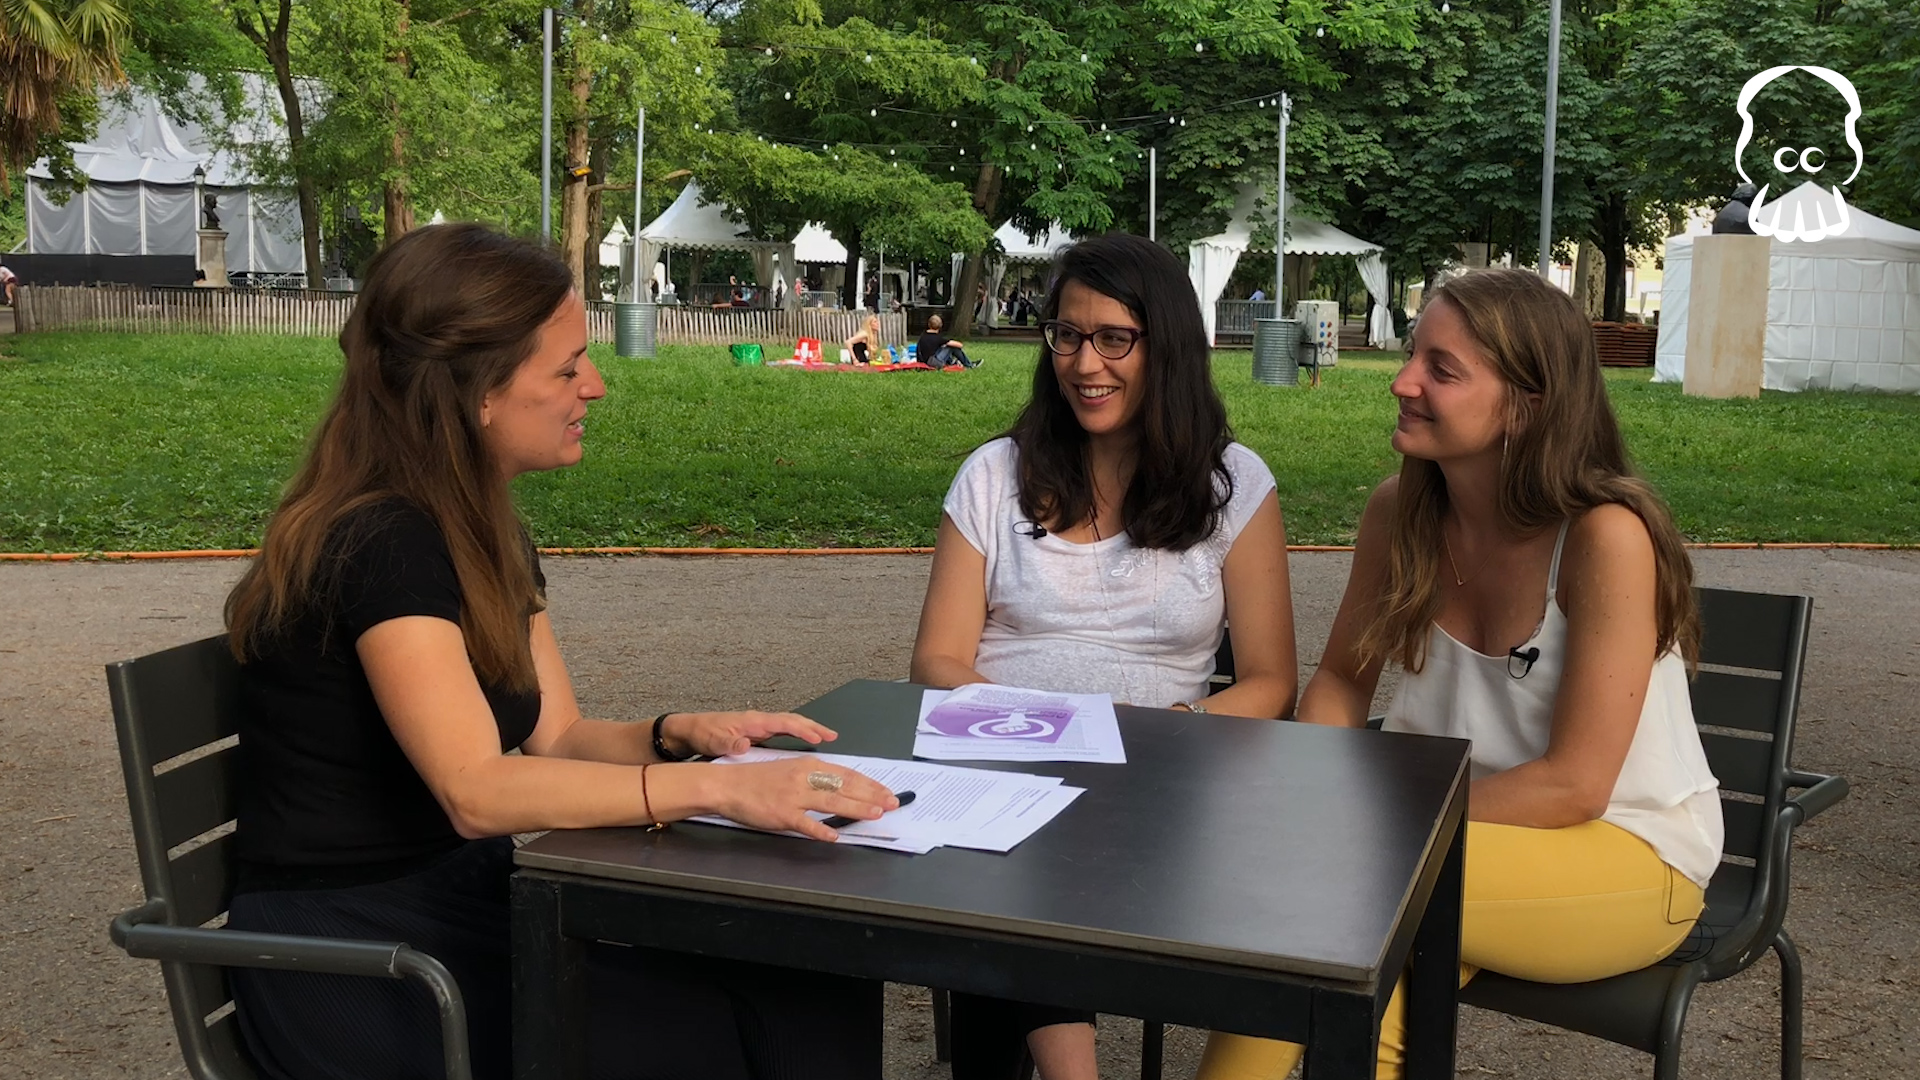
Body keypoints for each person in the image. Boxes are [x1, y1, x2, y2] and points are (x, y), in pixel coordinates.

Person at [222, 224, 899, 1080]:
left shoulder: (475, 523)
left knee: (808, 985)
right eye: (568, 366)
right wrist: (719, 792)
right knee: (720, 1030)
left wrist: (677, 733)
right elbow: (477, 790)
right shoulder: (382, 542)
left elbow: (557, 736)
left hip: (465, 903)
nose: (598, 385)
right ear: (477, 393)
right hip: (358, 956)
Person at [1196, 268, 1722, 1080]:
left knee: (1330, 899)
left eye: (1442, 370)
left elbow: (1574, 786)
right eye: (1414, 356)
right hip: (1432, 847)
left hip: (1624, 852)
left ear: (1530, 402)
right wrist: (1317, 792)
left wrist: (1370, 824)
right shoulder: (1398, 512)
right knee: (1325, 951)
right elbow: (1339, 682)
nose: (1403, 381)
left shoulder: (1605, 537)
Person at [912, 232, 1298, 1080]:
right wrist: (1043, 728)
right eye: (1066, 335)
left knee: (1029, 861)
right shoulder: (993, 474)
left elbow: (1271, 682)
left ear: (1167, 348)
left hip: (1159, 776)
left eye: (1113, 338)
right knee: (1006, 840)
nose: (1085, 363)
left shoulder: (1234, 485)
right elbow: (938, 664)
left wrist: (1174, 728)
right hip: (1007, 753)